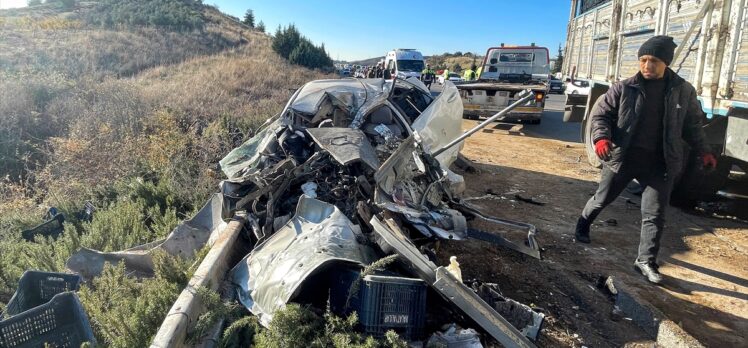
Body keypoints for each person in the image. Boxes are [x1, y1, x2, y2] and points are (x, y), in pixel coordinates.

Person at [573, 35, 716, 284]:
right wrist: (601, 139)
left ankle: (646, 261)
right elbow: (601, 116)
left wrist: (704, 150)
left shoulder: (683, 90)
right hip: (623, 158)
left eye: (653, 61)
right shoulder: (623, 87)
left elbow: (692, 125)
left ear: (666, 63)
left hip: (660, 162)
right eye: (643, 60)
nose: (647, 66)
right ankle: (583, 224)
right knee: (602, 199)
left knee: (655, 214)